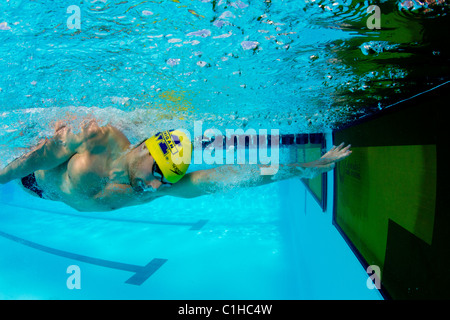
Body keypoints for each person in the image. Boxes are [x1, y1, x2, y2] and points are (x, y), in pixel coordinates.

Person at [0, 120, 351, 212]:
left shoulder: (158, 188)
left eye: (167, 182)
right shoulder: (95, 140)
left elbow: (235, 176)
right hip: (36, 178)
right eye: (156, 172)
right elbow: (30, 160)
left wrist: (307, 166)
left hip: (56, 197)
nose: (156, 188)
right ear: (143, 146)